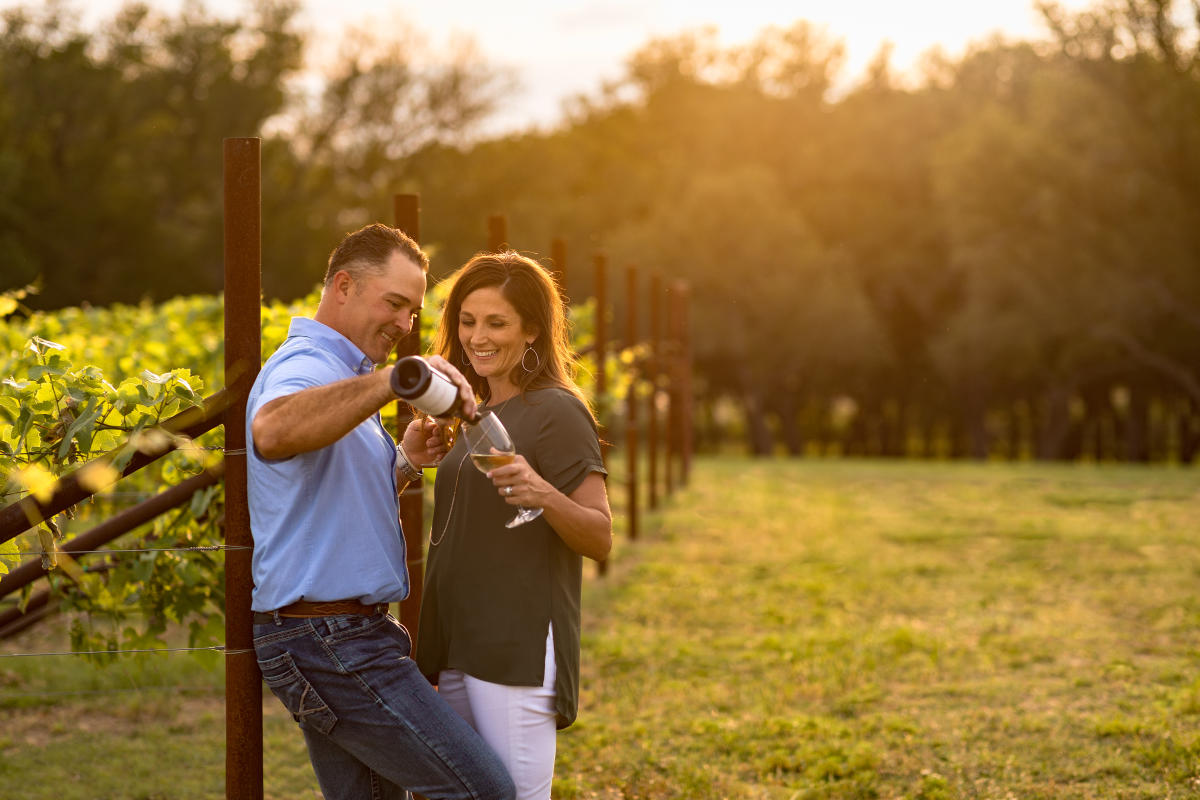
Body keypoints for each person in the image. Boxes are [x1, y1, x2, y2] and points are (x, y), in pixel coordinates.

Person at [246, 223, 516, 800]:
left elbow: (326, 498)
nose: (405, 324)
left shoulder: (348, 375)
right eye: (394, 303)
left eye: (413, 311)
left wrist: (404, 463)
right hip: (329, 640)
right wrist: (395, 381)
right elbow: (271, 431)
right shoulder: (308, 365)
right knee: (484, 791)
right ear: (343, 286)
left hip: (339, 635)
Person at [416, 251, 613, 800]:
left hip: (514, 647)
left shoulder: (556, 410)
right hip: (457, 641)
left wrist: (542, 493)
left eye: (496, 323)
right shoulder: (473, 412)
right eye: (467, 321)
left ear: (531, 330)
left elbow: (600, 536)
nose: (477, 337)